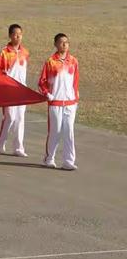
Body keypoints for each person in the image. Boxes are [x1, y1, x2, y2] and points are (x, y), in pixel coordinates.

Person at [38, 33, 79, 170]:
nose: (64, 45)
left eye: (66, 42)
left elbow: (75, 81)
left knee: (69, 131)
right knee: (55, 131)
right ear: (55, 44)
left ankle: (68, 161)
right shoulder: (50, 62)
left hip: (70, 103)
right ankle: (49, 158)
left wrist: (75, 98)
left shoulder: (73, 61)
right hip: (55, 102)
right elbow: (41, 82)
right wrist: (47, 94)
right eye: (61, 42)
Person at [0, 24, 29, 157]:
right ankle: (0, 142)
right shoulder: (4, 52)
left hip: (21, 91)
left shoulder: (25, 52)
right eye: (15, 34)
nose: (18, 36)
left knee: (20, 118)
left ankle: (18, 147)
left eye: (20, 34)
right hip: (9, 91)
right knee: (10, 118)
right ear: (10, 35)